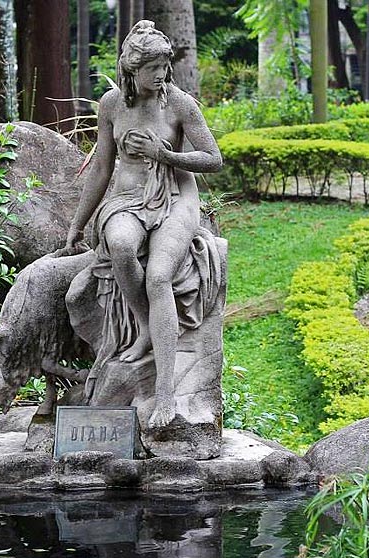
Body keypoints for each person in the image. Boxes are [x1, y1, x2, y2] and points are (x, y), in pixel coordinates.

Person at [64, 20, 223, 429]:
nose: (162, 75)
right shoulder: (112, 105)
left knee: (158, 276)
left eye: (165, 66)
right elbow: (101, 166)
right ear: (132, 69)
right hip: (128, 198)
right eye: (154, 67)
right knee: (119, 246)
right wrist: (78, 224)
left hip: (175, 197)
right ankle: (149, 326)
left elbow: (213, 159)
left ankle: (166, 392)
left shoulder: (181, 104)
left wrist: (163, 154)